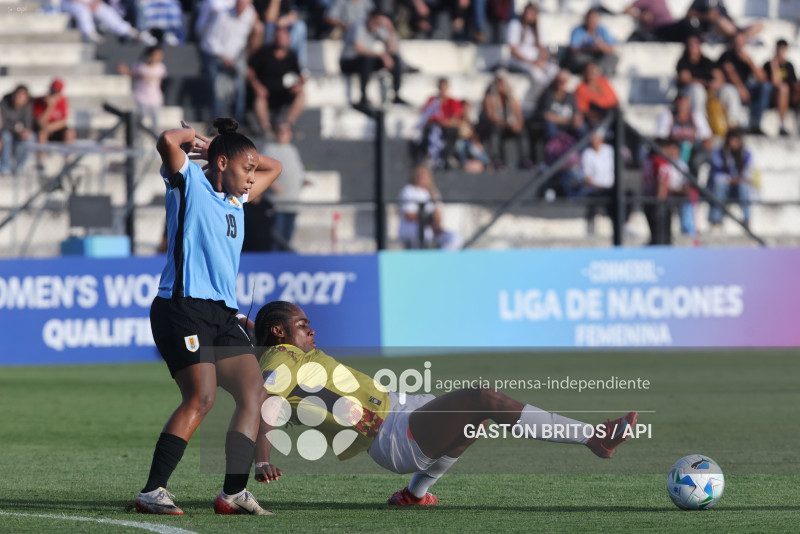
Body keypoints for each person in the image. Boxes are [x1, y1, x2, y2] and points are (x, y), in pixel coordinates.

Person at [251, 301, 639, 505]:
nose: (311, 329)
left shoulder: (283, 351)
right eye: (303, 325)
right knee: (483, 398)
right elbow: (265, 403)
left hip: (399, 409)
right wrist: (263, 458)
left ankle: (413, 495)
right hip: (390, 434)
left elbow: (264, 345)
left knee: (476, 418)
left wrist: (244, 325)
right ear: (280, 332)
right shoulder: (282, 357)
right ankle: (593, 438)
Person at [134, 117, 282, 516]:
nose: (253, 177)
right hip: (182, 307)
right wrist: (201, 141)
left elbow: (275, 167)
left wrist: (232, 151)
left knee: (256, 395)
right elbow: (168, 139)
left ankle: (233, 493)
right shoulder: (189, 184)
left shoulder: (237, 201)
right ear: (219, 165)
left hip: (221, 314)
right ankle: (153, 490)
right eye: (245, 169)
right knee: (202, 397)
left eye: (252, 171)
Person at [198, 0, 259, 122]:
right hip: (216, 56)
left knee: (239, 90)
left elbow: (247, 37)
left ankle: (237, 124)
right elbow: (211, 39)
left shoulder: (250, 15)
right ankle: (216, 124)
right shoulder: (222, 16)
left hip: (236, 58)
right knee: (218, 91)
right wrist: (224, 56)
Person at [339, 10, 407, 107]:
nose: (377, 25)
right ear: (370, 18)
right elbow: (359, 49)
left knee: (395, 59)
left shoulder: (378, 27)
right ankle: (363, 96)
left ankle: (396, 94)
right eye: (376, 22)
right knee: (366, 60)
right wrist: (382, 56)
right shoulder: (358, 25)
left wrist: (390, 28)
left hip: (366, 61)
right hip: (348, 62)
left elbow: (392, 49)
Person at [247, 25, 306, 136]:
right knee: (260, 98)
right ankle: (266, 129)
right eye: (278, 37)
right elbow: (250, 71)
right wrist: (257, 86)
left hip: (284, 93)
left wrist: (299, 85)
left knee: (302, 95)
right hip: (265, 93)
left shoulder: (291, 55)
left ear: (288, 39)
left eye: (283, 37)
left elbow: (300, 75)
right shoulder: (263, 52)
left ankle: (288, 125)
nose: (281, 39)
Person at [718, 30, 772, 135]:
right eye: (736, 41)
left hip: (746, 88)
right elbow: (730, 72)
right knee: (732, 91)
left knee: (766, 87)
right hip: (732, 89)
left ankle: (756, 124)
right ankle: (736, 126)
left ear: (745, 43)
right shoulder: (727, 55)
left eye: (741, 41)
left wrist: (750, 62)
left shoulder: (746, 57)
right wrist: (741, 88)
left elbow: (762, 79)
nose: (738, 44)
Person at [263, 123, 307, 250]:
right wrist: (272, 183)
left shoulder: (293, 150)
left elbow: (298, 170)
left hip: (292, 202)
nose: (282, 134)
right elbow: (261, 169)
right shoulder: (269, 149)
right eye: (280, 131)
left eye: (285, 132)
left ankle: (285, 260)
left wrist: (304, 180)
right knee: (276, 236)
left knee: (288, 237)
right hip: (276, 203)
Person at [398, 165, 461, 249]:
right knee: (426, 233)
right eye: (419, 174)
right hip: (411, 228)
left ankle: (439, 260)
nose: (421, 177)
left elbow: (438, 214)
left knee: (455, 238)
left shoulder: (433, 192)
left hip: (432, 228)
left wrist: (436, 224)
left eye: (424, 174)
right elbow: (409, 215)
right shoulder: (408, 190)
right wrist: (428, 219)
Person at [505, 2, 559, 102]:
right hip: (519, 61)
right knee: (537, 73)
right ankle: (545, 98)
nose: (530, 16)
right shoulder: (515, 25)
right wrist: (532, 62)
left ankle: (547, 96)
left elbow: (543, 48)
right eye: (528, 13)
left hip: (535, 61)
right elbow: (513, 50)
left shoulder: (537, 28)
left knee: (553, 69)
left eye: (532, 13)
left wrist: (542, 60)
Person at [476, 69, 526, 169]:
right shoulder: (490, 98)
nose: (500, 85)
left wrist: (517, 126)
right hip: (494, 126)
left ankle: (525, 159)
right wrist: (505, 122)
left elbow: (519, 115)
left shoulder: (511, 99)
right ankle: (496, 159)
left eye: (502, 82)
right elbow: (491, 116)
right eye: (498, 82)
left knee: (522, 132)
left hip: (508, 126)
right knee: (495, 130)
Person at [642, 138, 688, 245]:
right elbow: (661, 183)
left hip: (648, 199)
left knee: (655, 235)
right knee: (662, 236)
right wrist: (659, 203)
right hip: (659, 202)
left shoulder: (649, 160)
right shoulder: (661, 162)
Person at [708, 127, 754, 229]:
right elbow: (717, 177)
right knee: (720, 185)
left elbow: (749, 176)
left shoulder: (746, 154)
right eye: (732, 141)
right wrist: (733, 180)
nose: (734, 144)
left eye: (736, 141)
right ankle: (716, 220)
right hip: (722, 188)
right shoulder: (718, 153)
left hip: (738, 189)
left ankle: (747, 219)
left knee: (744, 187)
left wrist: (737, 180)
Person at [117, 46, 167, 132]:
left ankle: (156, 141)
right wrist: (124, 70)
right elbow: (132, 74)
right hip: (141, 97)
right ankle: (138, 140)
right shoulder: (141, 66)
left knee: (155, 122)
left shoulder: (160, 68)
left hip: (155, 98)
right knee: (140, 121)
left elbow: (159, 82)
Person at [418, 78, 464, 169]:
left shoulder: (453, 102)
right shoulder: (432, 100)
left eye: (444, 87)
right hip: (435, 127)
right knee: (431, 130)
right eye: (441, 87)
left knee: (454, 132)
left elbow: (456, 119)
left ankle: (448, 156)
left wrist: (444, 122)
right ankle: (430, 156)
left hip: (446, 127)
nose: (443, 90)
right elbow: (426, 114)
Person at [60, 0, 157, 44]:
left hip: (90, 2)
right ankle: (89, 34)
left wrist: (95, 2)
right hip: (71, 3)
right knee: (82, 11)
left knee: (106, 12)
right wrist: (87, 4)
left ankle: (129, 32)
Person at [565, 7, 618, 76]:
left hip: (598, 57)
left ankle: (596, 70)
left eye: (595, 19)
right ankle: (590, 70)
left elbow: (612, 49)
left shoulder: (603, 30)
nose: (592, 21)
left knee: (613, 58)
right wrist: (589, 49)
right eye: (590, 19)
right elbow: (572, 49)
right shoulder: (577, 30)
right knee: (576, 58)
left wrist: (602, 47)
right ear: (586, 19)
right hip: (585, 57)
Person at [257, 0, 309, 70]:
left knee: (300, 27)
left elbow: (293, 15)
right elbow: (269, 18)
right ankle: (268, 66)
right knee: (269, 27)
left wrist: (285, 21)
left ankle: (300, 66)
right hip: (269, 28)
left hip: (284, 26)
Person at [764, 39, 800, 137]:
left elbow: (794, 83)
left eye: (783, 49)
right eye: (779, 49)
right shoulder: (769, 65)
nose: (781, 52)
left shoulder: (789, 65)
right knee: (783, 88)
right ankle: (781, 124)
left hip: (789, 97)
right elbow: (775, 82)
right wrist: (774, 65)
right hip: (773, 97)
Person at [676, 35, 716, 118]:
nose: (692, 47)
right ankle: (700, 120)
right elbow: (684, 79)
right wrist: (705, 83)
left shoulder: (706, 61)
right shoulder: (683, 62)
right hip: (688, 93)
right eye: (690, 45)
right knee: (697, 89)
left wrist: (715, 83)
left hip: (708, 92)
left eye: (694, 44)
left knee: (729, 90)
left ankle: (734, 124)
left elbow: (718, 76)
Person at [686, 0, 762, 43]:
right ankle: (741, 38)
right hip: (713, 31)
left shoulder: (719, 2)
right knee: (720, 21)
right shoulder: (701, 1)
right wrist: (706, 16)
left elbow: (726, 16)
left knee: (759, 25)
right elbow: (689, 13)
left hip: (730, 28)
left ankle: (740, 37)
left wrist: (731, 20)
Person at [624, 0, 696, 43]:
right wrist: (641, 16)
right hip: (660, 30)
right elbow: (626, 10)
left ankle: (697, 39)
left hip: (671, 26)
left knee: (688, 23)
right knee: (685, 23)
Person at [0, 85, 34, 176]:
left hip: (19, 134)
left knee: (30, 137)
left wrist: (24, 132)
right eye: (17, 95)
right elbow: (3, 124)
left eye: (22, 95)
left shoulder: (28, 106)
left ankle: (20, 167)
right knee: (5, 136)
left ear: (26, 98)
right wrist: (16, 130)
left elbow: (28, 123)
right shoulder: (4, 104)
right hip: (7, 132)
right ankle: (4, 167)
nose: (18, 97)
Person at [574, 62, 618, 128]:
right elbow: (583, 111)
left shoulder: (603, 81)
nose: (593, 73)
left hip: (613, 114)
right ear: (584, 73)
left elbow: (614, 99)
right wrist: (600, 116)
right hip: (598, 120)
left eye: (594, 70)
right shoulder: (581, 88)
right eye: (590, 71)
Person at [33, 79, 76, 145]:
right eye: (53, 91)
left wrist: (50, 128)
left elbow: (64, 121)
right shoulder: (39, 101)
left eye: (56, 92)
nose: (54, 94)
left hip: (55, 129)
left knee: (70, 132)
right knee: (42, 134)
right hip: (44, 130)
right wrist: (49, 106)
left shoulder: (63, 101)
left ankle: (68, 154)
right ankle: (42, 154)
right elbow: (40, 122)